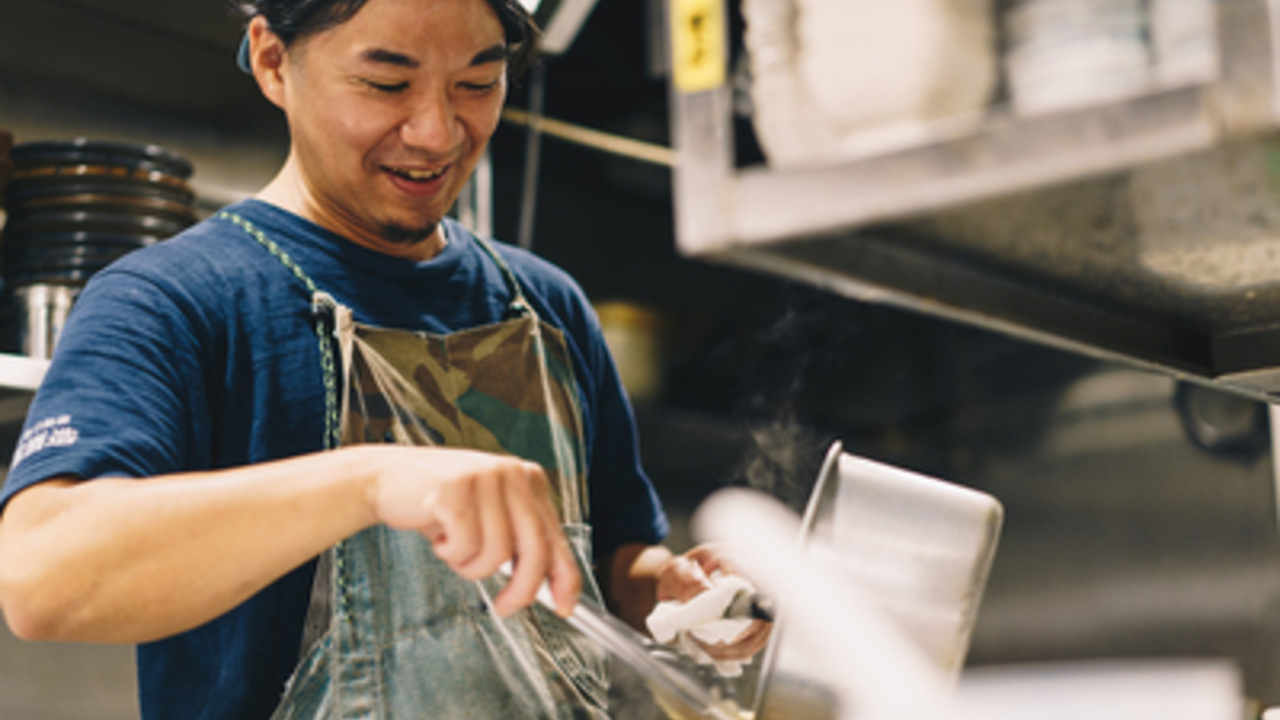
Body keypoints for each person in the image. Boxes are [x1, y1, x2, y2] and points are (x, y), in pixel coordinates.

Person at [0, 1, 768, 719]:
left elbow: (614, 556)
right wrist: (371, 480)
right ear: (272, 61)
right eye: (385, 83)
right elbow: (41, 575)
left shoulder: (545, 305)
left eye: (479, 82)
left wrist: (670, 589)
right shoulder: (176, 299)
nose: (437, 131)